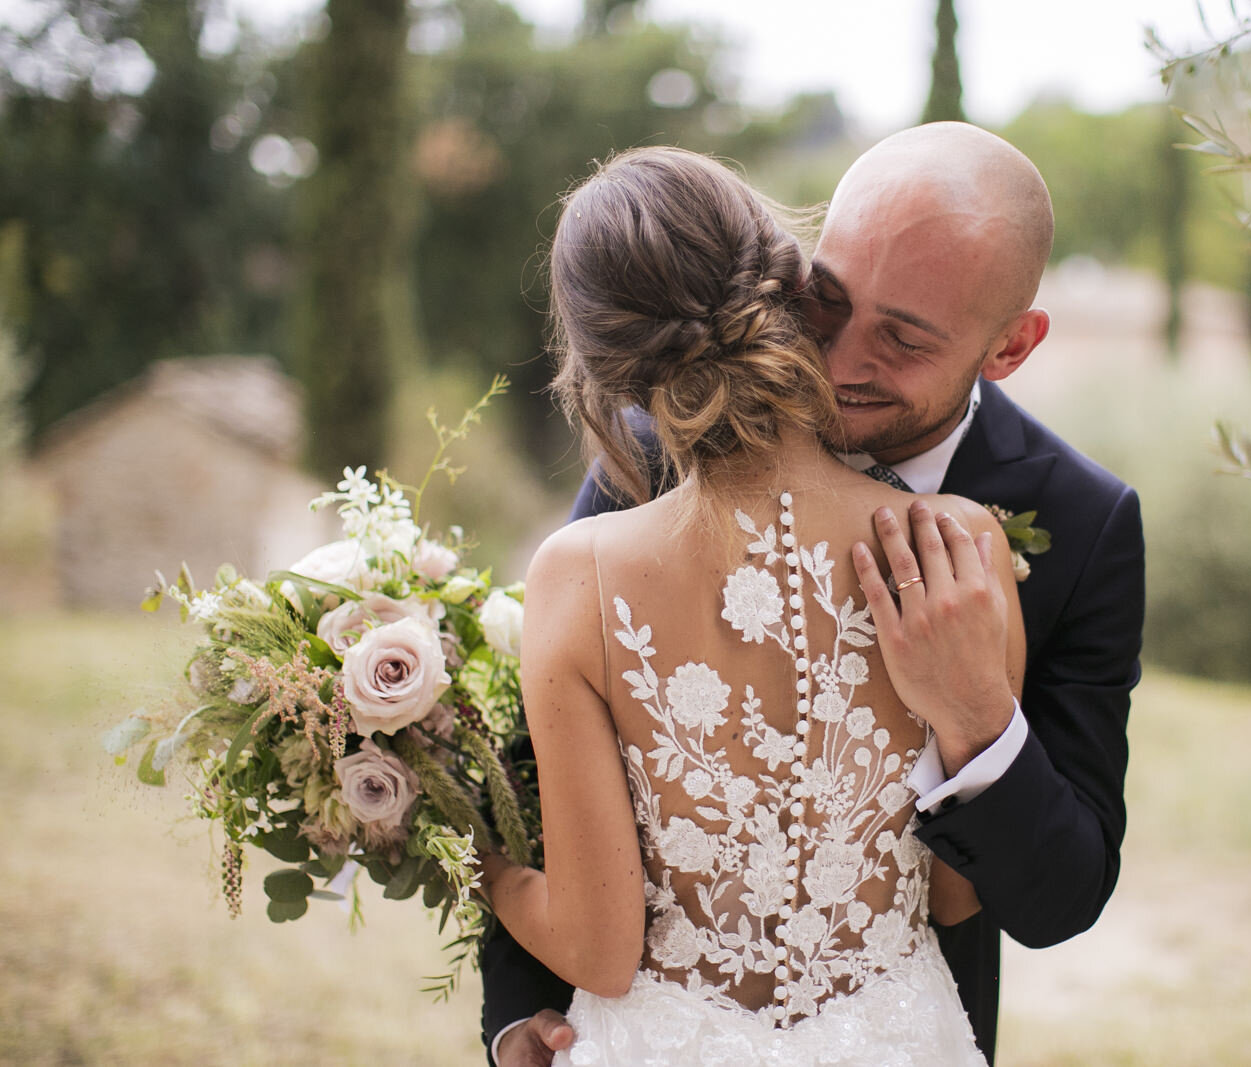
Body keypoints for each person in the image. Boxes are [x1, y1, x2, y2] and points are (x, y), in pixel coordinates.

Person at [482, 123, 1145, 1066]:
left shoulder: (1082, 522)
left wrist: (976, 718)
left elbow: (1057, 895)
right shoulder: (651, 441)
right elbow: (538, 772)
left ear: (1009, 348)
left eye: (903, 338)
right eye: (823, 302)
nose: (835, 360)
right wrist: (517, 1016)